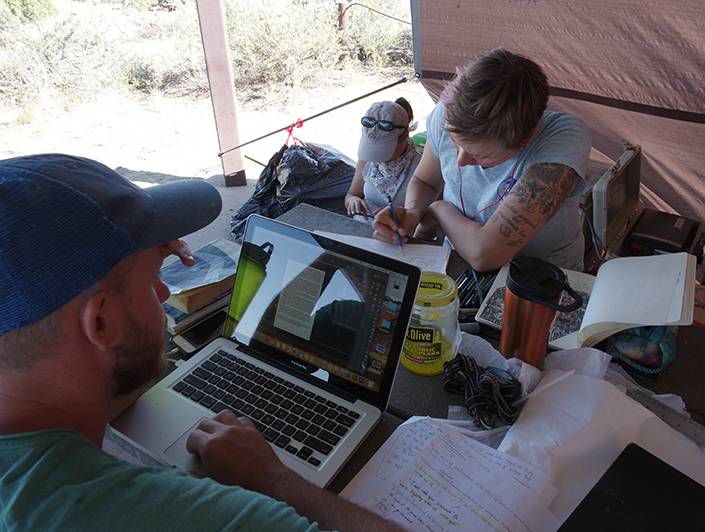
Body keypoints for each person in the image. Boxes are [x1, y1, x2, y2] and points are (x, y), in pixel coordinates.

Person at [0, 153, 404, 532]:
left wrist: (134, 272)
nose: (163, 292)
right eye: (153, 278)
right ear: (101, 323)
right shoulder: (177, 512)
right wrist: (272, 477)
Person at [372, 48, 592, 272]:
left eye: (481, 155)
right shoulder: (448, 112)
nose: (461, 161)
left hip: (540, 279)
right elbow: (426, 181)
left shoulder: (564, 137)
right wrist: (411, 213)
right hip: (454, 261)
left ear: (527, 138)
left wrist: (439, 210)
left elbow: (484, 255)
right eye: (456, 143)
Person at [344, 98, 421, 220]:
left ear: (405, 136)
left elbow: (429, 218)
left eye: (383, 150)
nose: (377, 158)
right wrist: (352, 201)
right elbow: (352, 194)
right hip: (359, 230)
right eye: (374, 149)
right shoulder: (367, 158)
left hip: (396, 235)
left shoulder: (421, 168)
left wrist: (405, 216)